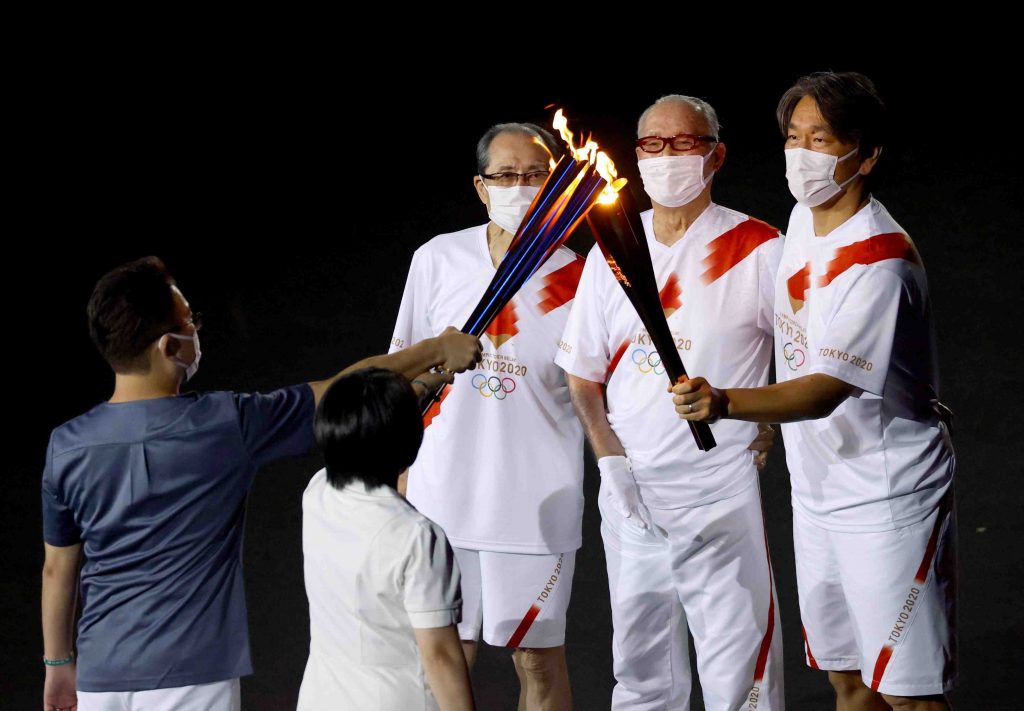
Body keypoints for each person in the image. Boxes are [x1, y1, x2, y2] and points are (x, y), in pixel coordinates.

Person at [41, 256, 481, 711]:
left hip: (100, 671)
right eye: (189, 320)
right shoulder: (225, 425)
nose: (196, 328)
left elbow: (58, 568)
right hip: (195, 673)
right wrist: (436, 350)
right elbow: (342, 391)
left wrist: (57, 665)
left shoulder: (65, 446)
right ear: (169, 348)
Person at [672, 72, 957, 711]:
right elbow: (795, 335)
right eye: (793, 137)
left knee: (909, 695)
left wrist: (730, 403)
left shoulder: (879, 258)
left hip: (887, 499)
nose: (801, 154)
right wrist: (770, 417)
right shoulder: (803, 220)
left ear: (867, 153)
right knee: (847, 679)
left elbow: (827, 389)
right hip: (818, 493)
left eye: (821, 139)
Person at [555, 95, 783, 710]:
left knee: (741, 678)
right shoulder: (611, 254)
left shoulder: (759, 248)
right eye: (652, 145)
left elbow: (798, 366)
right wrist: (611, 464)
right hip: (631, 494)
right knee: (639, 672)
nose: (667, 156)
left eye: (684, 142)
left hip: (719, 491)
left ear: (716, 153)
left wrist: (761, 437)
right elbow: (582, 376)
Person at [390, 122, 584, 709]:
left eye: (535, 175)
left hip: (537, 498)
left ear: (555, 186)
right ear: (481, 186)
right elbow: (401, 371)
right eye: (506, 175)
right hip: (441, 492)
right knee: (445, 658)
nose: (520, 186)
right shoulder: (439, 258)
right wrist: (399, 471)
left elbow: (597, 389)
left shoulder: (581, 275)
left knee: (539, 660)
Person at [298, 367, 475, 710]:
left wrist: (422, 387)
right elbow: (440, 656)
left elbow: (366, 433)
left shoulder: (317, 492)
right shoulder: (417, 537)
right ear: (408, 447)